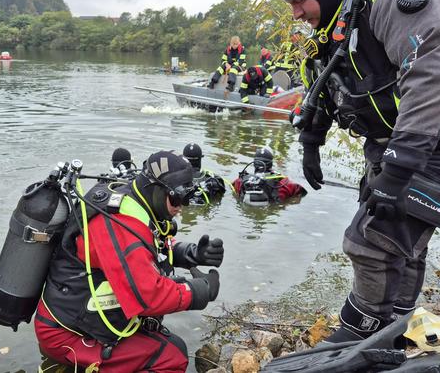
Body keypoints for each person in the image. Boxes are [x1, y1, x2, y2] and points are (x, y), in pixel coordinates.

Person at [277, 0, 440, 343]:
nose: (296, 13)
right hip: (396, 141)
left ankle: (359, 336)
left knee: (371, 241)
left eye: (300, 0)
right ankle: (395, 329)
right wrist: (312, 140)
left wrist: (400, 168)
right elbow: (329, 77)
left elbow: (433, 73)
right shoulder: (341, 18)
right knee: (402, 241)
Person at [35, 151, 225, 371]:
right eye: (177, 197)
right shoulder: (118, 222)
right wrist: (200, 291)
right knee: (171, 356)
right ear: (155, 190)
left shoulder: (136, 202)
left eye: (187, 197)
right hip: (65, 334)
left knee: (169, 311)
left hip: (82, 318)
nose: (182, 206)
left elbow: (152, 248)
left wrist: (191, 253)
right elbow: (149, 296)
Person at [232, 147, 306, 204]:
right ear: (270, 164)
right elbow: (301, 193)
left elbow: (233, 192)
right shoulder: (284, 183)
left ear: (254, 163)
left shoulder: (240, 181)